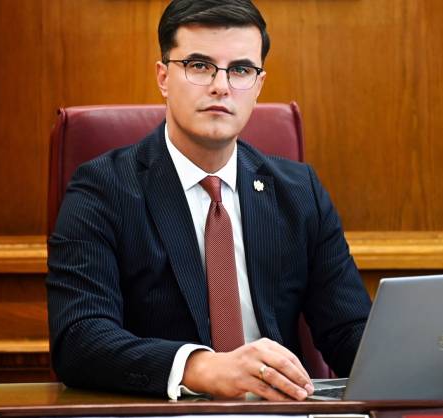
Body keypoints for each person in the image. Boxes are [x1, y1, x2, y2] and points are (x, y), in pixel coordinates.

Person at [46, 0, 371, 401]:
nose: (221, 86)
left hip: (278, 410)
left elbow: (348, 331)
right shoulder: (102, 190)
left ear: (258, 86)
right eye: (199, 66)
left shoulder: (299, 191)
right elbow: (79, 339)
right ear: (163, 77)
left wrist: (426, 355)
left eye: (241, 70)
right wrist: (199, 367)